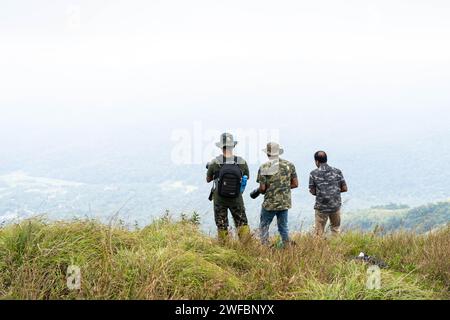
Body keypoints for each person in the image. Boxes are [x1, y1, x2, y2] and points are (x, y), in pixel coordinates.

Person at [206, 133, 251, 242]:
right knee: (242, 223)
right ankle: (247, 246)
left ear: (221, 147)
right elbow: (247, 177)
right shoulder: (241, 162)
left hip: (219, 199)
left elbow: (208, 179)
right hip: (236, 198)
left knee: (221, 224)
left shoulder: (215, 162)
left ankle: (224, 249)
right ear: (233, 146)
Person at [257, 142, 298, 246]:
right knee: (283, 227)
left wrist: (267, 189)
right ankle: (287, 247)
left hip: (270, 204)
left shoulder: (264, 167)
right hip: (284, 203)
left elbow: (262, 188)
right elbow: (295, 184)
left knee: (264, 226)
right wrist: (282, 188)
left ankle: (265, 247)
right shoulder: (289, 165)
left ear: (268, 154)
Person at [309, 151, 348, 236]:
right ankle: (336, 247)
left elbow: (312, 191)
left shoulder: (313, 173)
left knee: (318, 232)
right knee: (335, 229)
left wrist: (322, 192)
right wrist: (334, 191)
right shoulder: (337, 172)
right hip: (335, 205)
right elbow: (344, 188)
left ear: (316, 161)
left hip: (321, 207)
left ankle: (319, 248)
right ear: (326, 159)